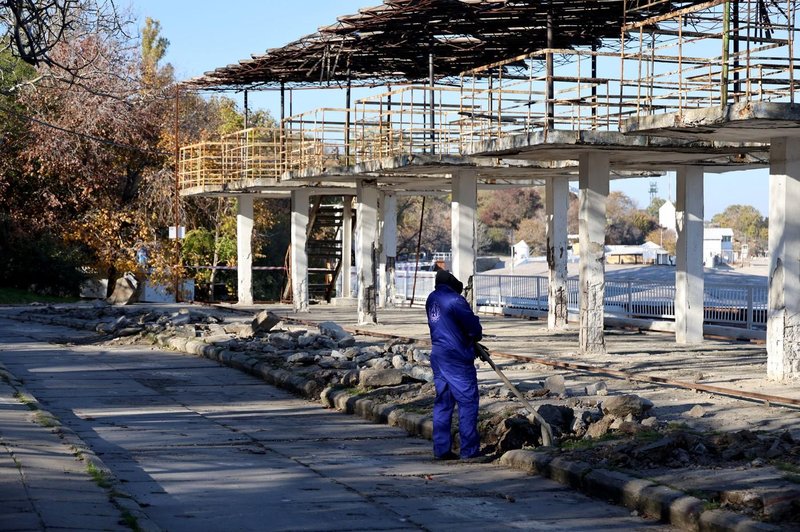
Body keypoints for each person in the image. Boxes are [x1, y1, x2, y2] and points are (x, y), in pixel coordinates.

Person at [425, 269, 483, 460]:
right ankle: (469, 451)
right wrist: (471, 338)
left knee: (443, 402)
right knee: (467, 402)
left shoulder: (431, 298)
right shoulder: (455, 300)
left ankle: (441, 449)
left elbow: (448, 326)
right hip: (456, 359)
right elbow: (474, 329)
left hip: (438, 355)